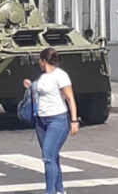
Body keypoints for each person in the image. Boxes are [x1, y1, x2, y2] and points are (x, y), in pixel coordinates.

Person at [23, 47, 79, 194]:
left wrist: (74, 121)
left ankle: (49, 192)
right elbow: (39, 91)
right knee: (52, 157)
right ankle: (60, 190)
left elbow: (70, 99)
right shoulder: (42, 77)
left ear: (43, 61)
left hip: (58, 120)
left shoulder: (61, 76)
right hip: (41, 121)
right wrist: (30, 85)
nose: (39, 64)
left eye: (39, 61)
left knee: (48, 157)